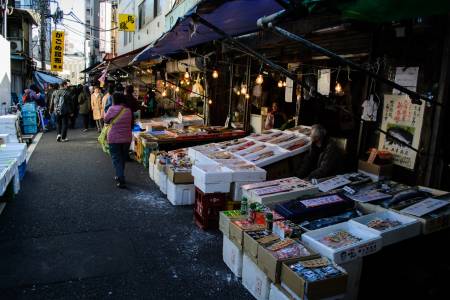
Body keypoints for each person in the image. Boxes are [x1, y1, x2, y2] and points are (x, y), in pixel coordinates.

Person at [104, 92, 133, 188]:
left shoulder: (112, 109)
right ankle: (119, 174)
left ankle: (121, 178)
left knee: (116, 159)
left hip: (114, 138)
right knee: (122, 158)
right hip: (127, 138)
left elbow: (105, 120)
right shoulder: (128, 110)